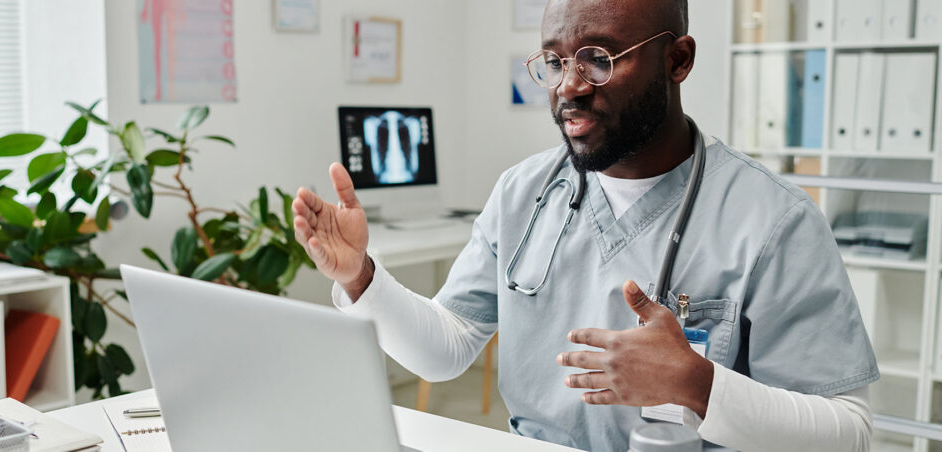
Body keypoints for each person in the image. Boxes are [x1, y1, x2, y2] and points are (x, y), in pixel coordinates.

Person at [292, 0, 878, 450]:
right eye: (554, 62)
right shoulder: (523, 192)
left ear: (678, 60)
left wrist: (698, 385)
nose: (569, 87)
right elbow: (446, 350)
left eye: (599, 59)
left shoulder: (774, 220)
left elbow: (848, 433)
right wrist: (362, 279)